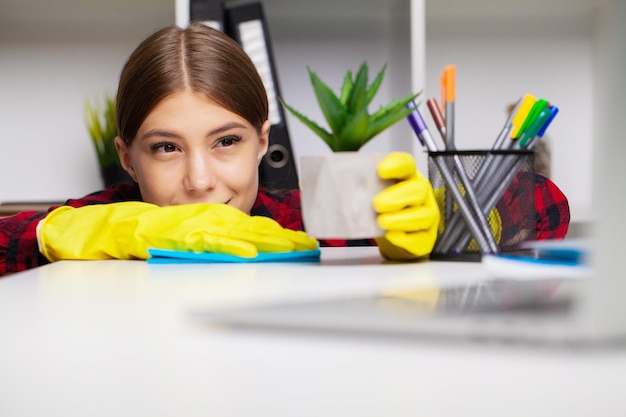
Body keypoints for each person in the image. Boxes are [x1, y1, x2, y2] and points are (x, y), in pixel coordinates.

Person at [0, 23, 441, 276]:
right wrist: (51, 235)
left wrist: (416, 244)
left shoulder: (307, 219)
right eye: (166, 148)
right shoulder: (105, 220)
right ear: (127, 158)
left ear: (262, 142)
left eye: (226, 141)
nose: (201, 181)